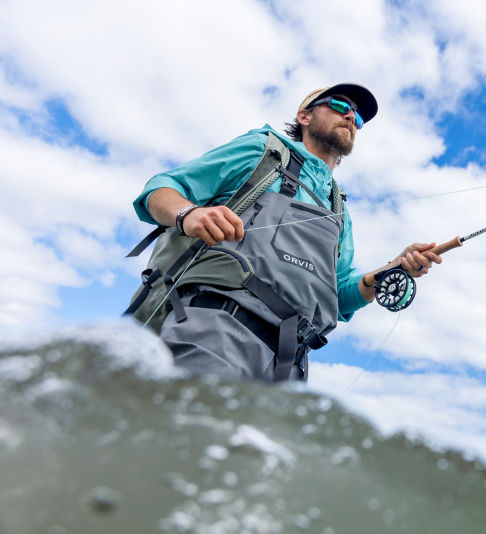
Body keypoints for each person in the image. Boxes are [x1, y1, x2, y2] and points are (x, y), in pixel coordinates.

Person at [132, 83, 441, 382]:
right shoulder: (262, 151)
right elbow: (161, 188)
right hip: (217, 326)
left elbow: (341, 294)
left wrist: (393, 269)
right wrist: (189, 213)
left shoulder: (339, 208)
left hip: (291, 363)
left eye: (357, 117)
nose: (350, 117)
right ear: (304, 116)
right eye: (338, 106)